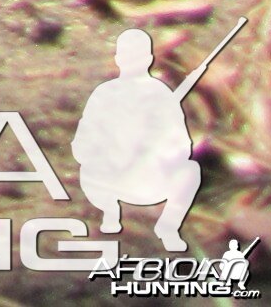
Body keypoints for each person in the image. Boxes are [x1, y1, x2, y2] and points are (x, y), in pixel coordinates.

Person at [76, 27, 205, 250]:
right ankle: (110, 216)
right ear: (118, 58)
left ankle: (168, 226)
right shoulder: (105, 94)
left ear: (149, 59)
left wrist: (161, 149)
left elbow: (183, 143)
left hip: (152, 176)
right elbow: (83, 142)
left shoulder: (162, 94)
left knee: (190, 172)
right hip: (111, 177)